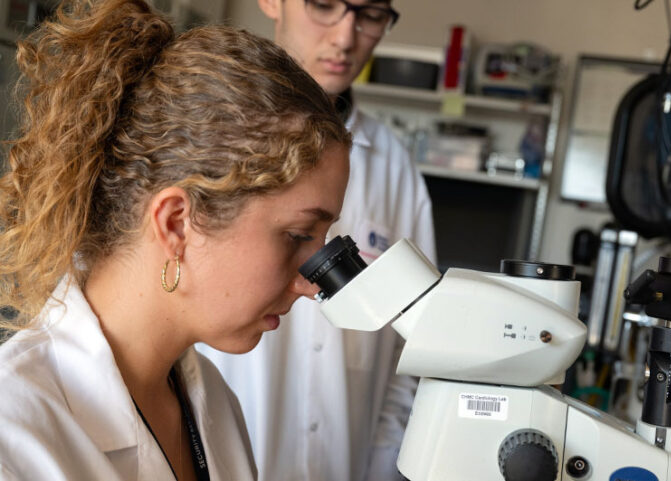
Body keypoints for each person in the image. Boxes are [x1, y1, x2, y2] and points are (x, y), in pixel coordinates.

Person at [0, 0, 351, 479]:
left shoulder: (212, 401)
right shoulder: (14, 435)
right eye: (296, 235)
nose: (312, 284)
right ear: (176, 224)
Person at [197, 1, 437, 480]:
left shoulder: (395, 169)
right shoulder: (203, 136)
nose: (347, 38)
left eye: (370, 14)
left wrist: (381, 466)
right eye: (324, 4)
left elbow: (414, 347)